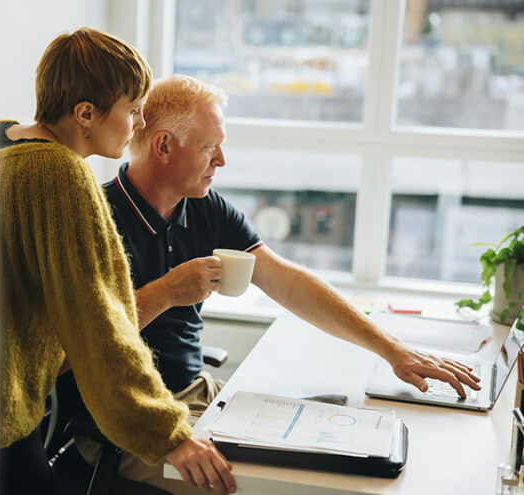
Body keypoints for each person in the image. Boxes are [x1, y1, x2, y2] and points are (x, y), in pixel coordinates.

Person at [75, 74, 481, 491]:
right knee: (276, 483)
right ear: (163, 145)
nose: (221, 161)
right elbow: (83, 343)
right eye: (209, 147)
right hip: (125, 421)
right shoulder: (96, 218)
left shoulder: (204, 206)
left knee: (334, 437)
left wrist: (392, 350)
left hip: (198, 394)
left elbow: (288, 283)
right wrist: (166, 292)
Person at [0, 31, 236, 495]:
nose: (139, 123)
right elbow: (99, 327)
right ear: (86, 113)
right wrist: (168, 436)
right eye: (132, 109)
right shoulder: (59, 175)